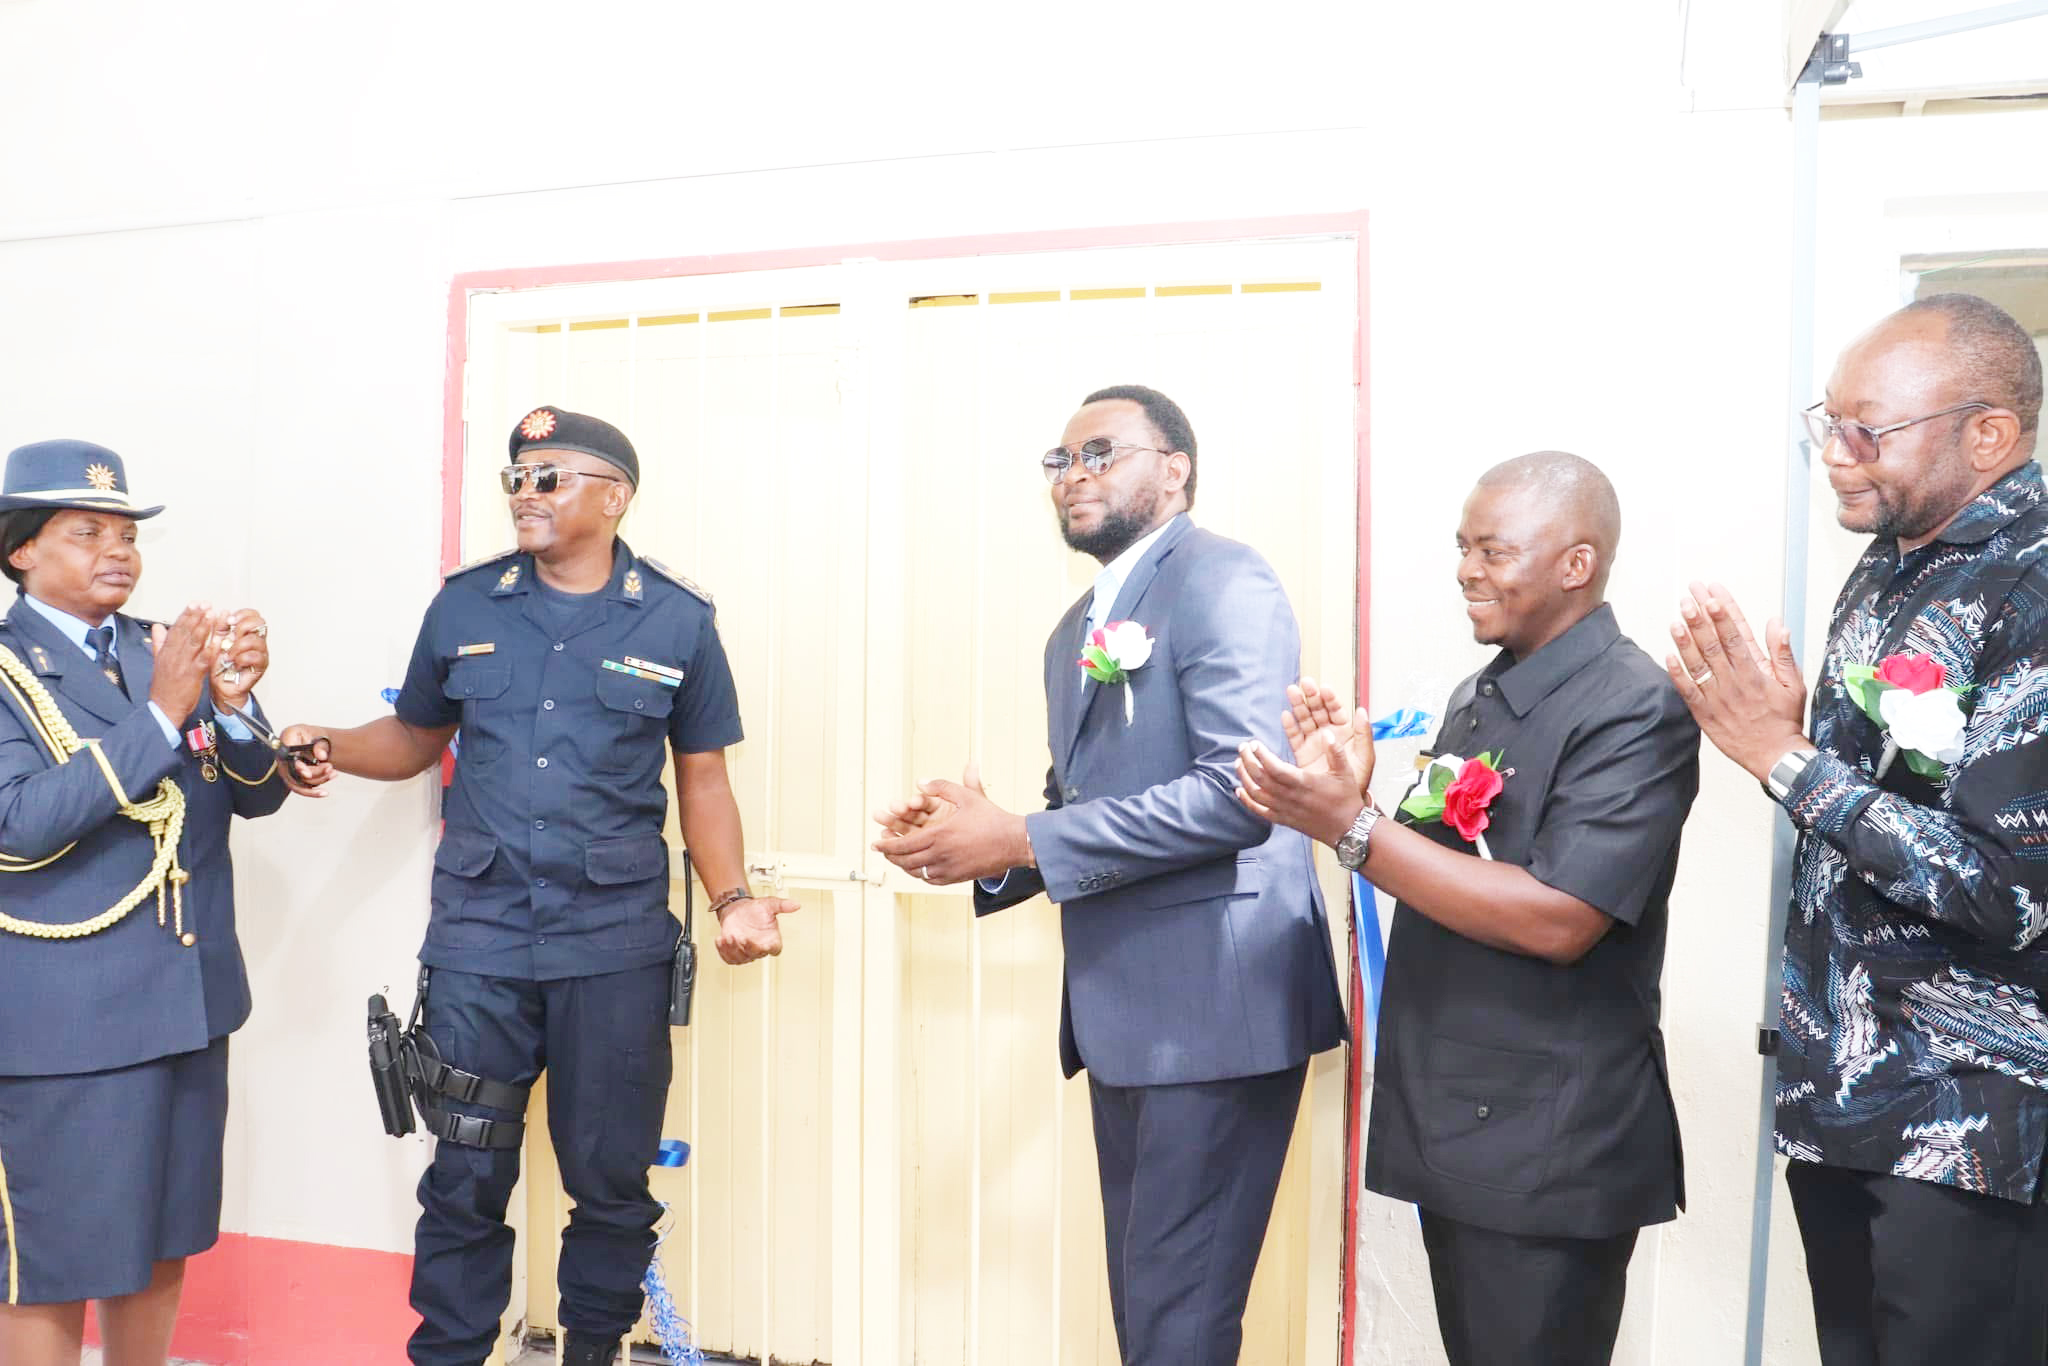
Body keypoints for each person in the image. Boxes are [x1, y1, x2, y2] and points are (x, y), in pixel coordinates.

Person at [278, 406, 798, 1366]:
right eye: (516, 476)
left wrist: (733, 900)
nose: (525, 491)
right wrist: (329, 743)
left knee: (610, 1182)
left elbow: (704, 779)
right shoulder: (465, 606)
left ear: (615, 496)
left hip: (614, 948)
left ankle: (592, 1352)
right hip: (480, 942)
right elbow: (416, 735)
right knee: (465, 1179)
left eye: (550, 476)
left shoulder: (677, 619)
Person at [871, 384, 1347, 1365]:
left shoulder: (1221, 580)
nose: (1072, 474)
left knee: (1179, 1320)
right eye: (1059, 459)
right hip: (1124, 1017)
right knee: (1149, 1310)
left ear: (1174, 470)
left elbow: (1240, 795)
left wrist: (1019, 839)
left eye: (1100, 452)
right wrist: (975, 847)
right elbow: (1075, 807)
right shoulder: (1071, 633)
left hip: (1215, 1010)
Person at [1235, 451, 1698, 1366]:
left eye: (1493, 550)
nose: (1465, 570)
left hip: (1548, 1142)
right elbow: (1441, 866)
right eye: (1462, 548)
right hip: (1465, 1116)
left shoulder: (1634, 706)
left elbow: (1560, 918)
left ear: (1576, 563)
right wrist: (1353, 794)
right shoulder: (1484, 692)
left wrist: (1351, 826)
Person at [1668, 293, 2048, 1364]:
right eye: (1827, 424)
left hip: (1969, 1123)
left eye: (1866, 430)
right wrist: (1796, 745)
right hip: (1844, 1094)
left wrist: (1784, 760)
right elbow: (1871, 816)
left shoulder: (2032, 585)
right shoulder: (1890, 566)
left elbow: (2008, 891)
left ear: (1988, 434)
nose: (1836, 456)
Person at [0, 438, 289, 1366]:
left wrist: (233, 706)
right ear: (20, 550)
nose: (118, 551)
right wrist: (163, 714)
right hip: (69, 1024)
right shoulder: (10, 668)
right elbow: (19, 824)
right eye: (86, 533)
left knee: (164, 1236)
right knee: (54, 1257)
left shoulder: (157, 648)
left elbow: (254, 795)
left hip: (188, 1003)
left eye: (125, 534)